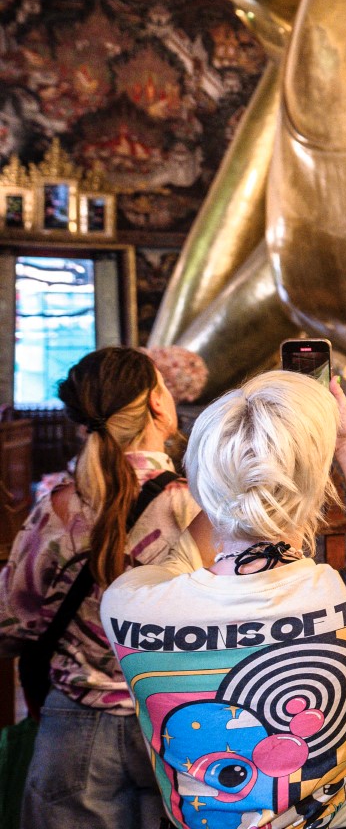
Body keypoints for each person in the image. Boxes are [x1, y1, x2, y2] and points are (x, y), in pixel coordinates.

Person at [101, 371, 346, 829]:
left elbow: (180, 559)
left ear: (201, 483)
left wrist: (232, 481)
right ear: (315, 487)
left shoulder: (128, 605)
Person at [0, 346, 205, 829]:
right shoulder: (199, 509)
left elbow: (11, 622)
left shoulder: (57, 508)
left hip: (74, 729)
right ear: (157, 404)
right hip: (182, 726)